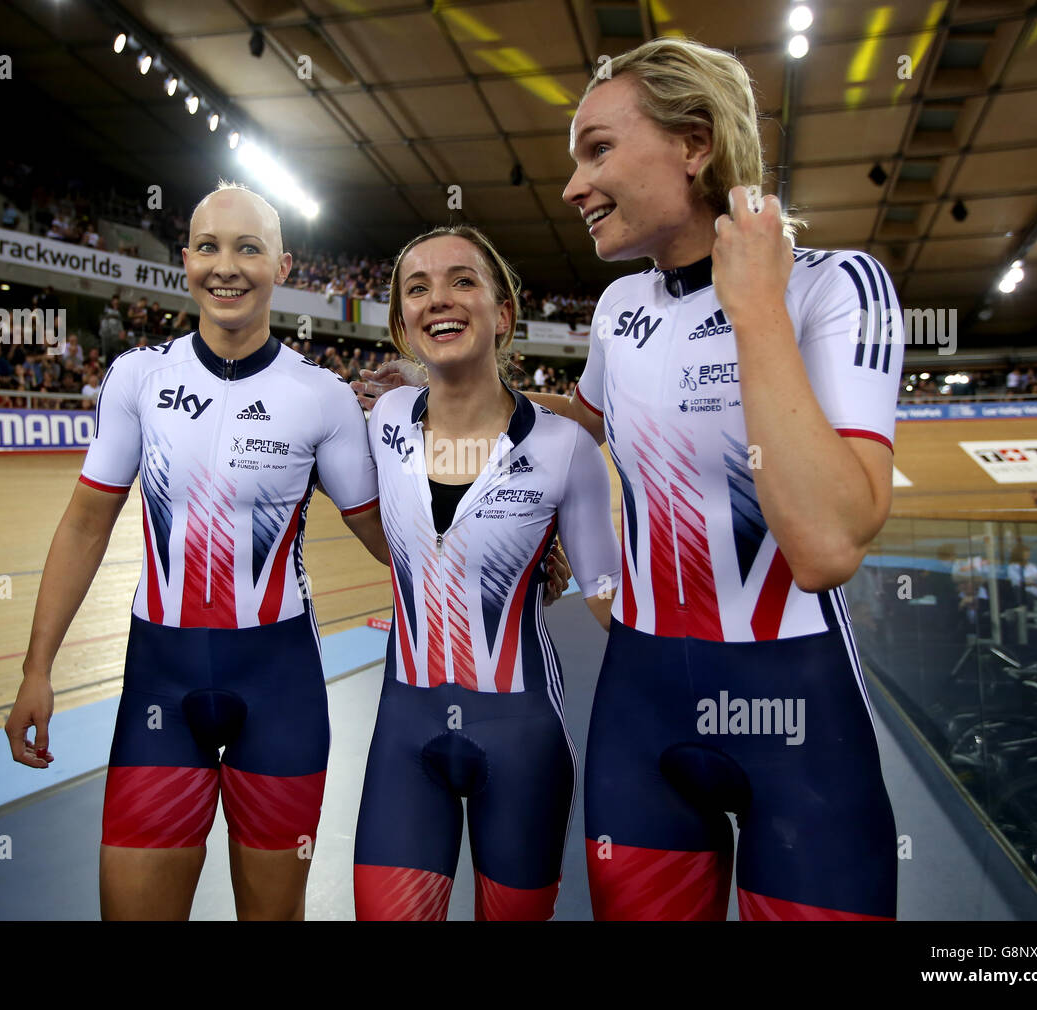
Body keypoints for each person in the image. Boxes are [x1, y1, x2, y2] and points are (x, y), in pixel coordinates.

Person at [355, 36, 904, 921]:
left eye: (598, 150)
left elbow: (827, 542)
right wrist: (444, 389)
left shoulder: (835, 288)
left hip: (797, 712)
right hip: (641, 709)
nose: (573, 185)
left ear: (695, 144)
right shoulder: (620, 309)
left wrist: (754, 303)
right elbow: (577, 425)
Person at [4, 182, 391, 921]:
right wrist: (36, 669)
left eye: (248, 248)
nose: (227, 266)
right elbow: (86, 525)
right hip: (161, 688)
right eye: (209, 246)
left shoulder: (324, 398)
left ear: (281, 264)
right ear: (185, 260)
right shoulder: (139, 378)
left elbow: (383, 537)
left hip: (281, 691)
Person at [353, 225, 620, 921]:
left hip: (523, 737)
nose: (439, 298)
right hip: (402, 738)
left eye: (462, 280)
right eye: (418, 288)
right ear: (403, 325)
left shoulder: (566, 450)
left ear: (503, 315)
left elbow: (606, 599)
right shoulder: (381, 420)